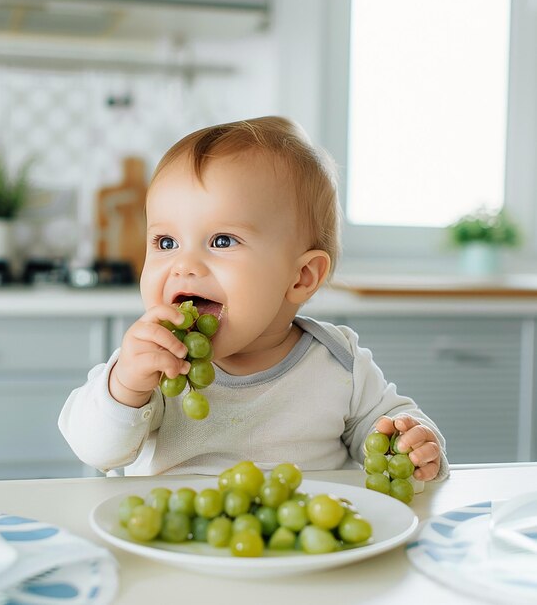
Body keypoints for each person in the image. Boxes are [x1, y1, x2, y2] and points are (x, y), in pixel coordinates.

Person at [59, 116, 448, 482]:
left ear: (301, 277)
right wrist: (125, 387)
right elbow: (95, 450)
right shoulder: (154, 363)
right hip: (178, 545)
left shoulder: (338, 360)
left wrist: (411, 446)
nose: (184, 265)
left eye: (222, 241)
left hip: (297, 549)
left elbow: (385, 426)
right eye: (166, 242)